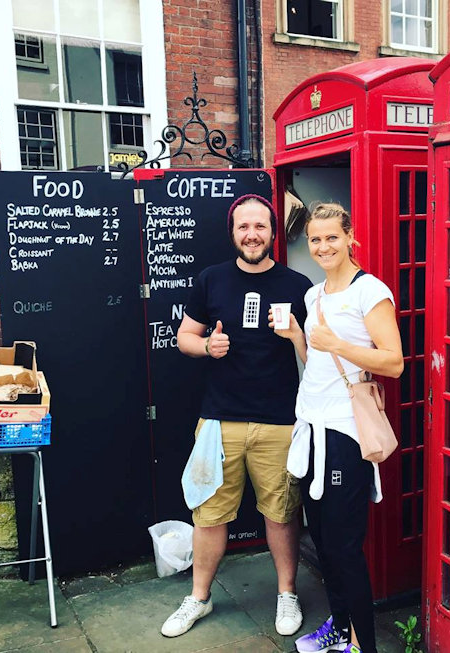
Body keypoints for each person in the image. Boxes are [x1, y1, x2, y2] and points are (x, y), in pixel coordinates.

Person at [161, 194, 312, 638]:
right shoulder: (211, 280)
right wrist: (207, 345)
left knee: (282, 513)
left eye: (260, 226)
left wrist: (296, 335)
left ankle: (287, 594)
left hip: (281, 420)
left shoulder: (298, 285)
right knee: (209, 513)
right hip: (218, 420)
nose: (252, 234)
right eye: (244, 227)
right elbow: (183, 336)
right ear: (233, 232)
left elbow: (316, 360)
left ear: (272, 233)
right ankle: (199, 597)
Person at [274, 203, 404, 653]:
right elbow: (321, 363)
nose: (323, 246)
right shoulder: (313, 296)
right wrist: (298, 338)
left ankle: (363, 645)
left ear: (351, 237)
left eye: (332, 237)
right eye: (315, 239)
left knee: (346, 549)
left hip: (344, 435)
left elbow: (394, 362)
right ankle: (337, 629)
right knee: (324, 545)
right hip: (309, 429)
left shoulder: (370, 292)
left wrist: (338, 342)